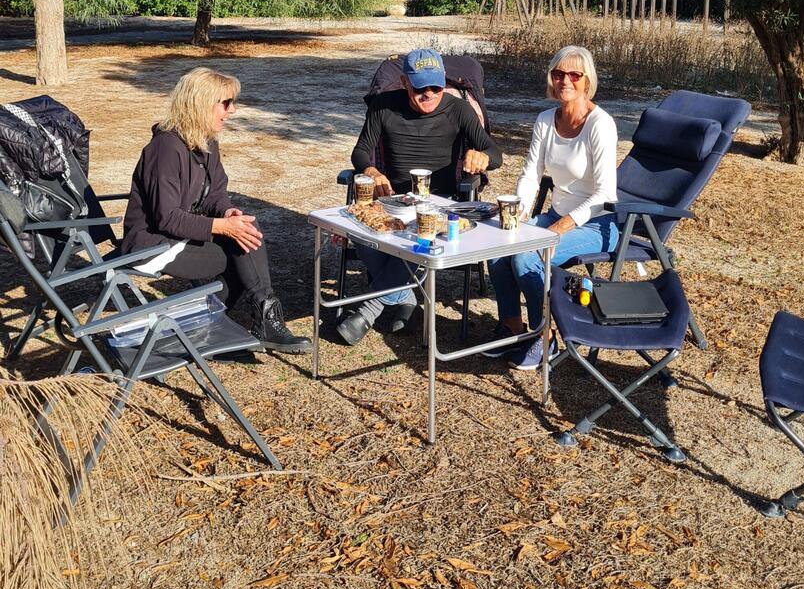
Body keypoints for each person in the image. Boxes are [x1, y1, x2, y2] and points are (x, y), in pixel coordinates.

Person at [121, 68, 311, 353]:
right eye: (225, 103)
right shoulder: (165, 149)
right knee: (243, 252)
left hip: (180, 235)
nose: (232, 110)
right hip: (152, 244)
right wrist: (220, 227)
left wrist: (227, 212)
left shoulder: (206, 142)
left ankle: (212, 323)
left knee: (246, 236)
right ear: (200, 104)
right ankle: (246, 321)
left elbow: (216, 193)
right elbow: (166, 217)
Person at [338, 48, 503, 346]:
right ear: (404, 82)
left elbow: (495, 154)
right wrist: (371, 170)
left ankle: (370, 308)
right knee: (360, 231)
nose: (429, 93)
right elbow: (360, 151)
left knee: (422, 232)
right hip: (393, 201)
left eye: (436, 87)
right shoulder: (383, 106)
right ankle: (405, 297)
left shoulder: (458, 109)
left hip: (440, 205)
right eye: (420, 87)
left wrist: (482, 157)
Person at [488, 45, 618, 370]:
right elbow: (531, 173)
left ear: (587, 81)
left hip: (597, 225)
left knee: (526, 255)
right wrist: (517, 211)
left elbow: (605, 194)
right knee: (497, 250)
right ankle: (511, 327)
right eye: (559, 73)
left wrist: (558, 228)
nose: (565, 80)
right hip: (555, 215)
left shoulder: (600, 125)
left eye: (574, 74)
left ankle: (544, 336)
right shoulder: (546, 120)